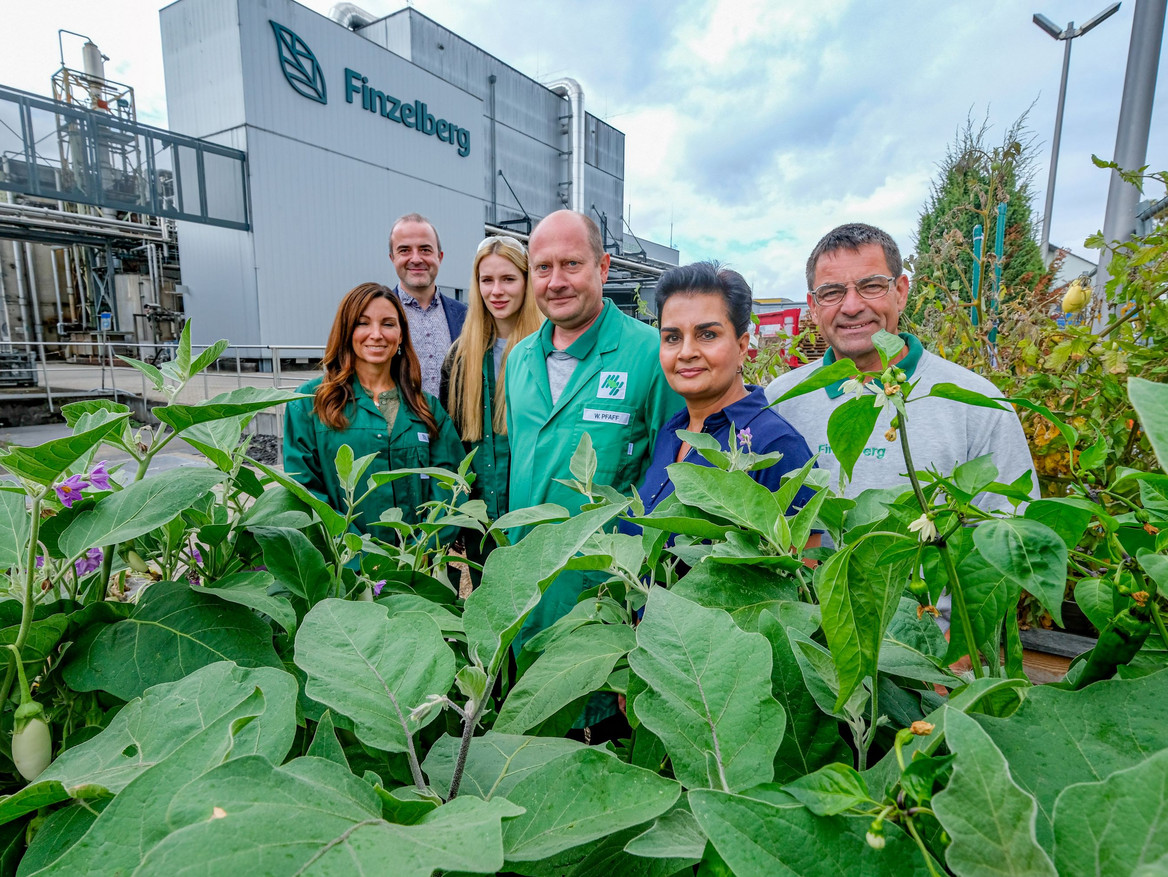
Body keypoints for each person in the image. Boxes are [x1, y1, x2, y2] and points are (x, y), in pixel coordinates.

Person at [505, 210, 681, 736]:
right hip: (528, 591)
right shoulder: (517, 361)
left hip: (605, 597)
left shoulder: (649, 354)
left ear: (604, 267)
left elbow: (673, 480)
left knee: (601, 754)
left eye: (572, 264)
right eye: (542, 268)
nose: (556, 281)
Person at [764, 223, 1036, 510]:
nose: (852, 306)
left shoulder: (978, 403)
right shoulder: (783, 400)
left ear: (901, 292)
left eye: (871, 286)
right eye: (832, 292)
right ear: (814, 306)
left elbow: (1009, 523)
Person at [634, 262, 817, 521]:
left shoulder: (775, 446)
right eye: (672, 338)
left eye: (707, 334)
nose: (686, 352)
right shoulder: (672, 432)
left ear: (742, 347)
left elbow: (802, 559)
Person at [283, 282, 465, 537]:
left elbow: (451, 484)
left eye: (388, 324)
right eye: (363, 323)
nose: (376, 334)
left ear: (401, 335)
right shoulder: (309, 403)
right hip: (343, 568)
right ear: (346, 331)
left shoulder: (427, 409)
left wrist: (425, 546)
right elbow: (303, 490)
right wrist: (356, 553)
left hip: (416, 567)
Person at [439, 235, 543, 570]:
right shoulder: (460, 357)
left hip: (535, 511)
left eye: (508, 279)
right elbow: (451, 443)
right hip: (482, 517)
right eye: (487, 280)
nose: (496, 291)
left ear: (526, 282)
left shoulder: (549, 349)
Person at [389, 213, 468, 397]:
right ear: (392, 257)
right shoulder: (376, 317)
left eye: (425, 250)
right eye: (404, 250)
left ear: (439, 257)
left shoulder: (465, 316)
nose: (416, 259)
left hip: (453, 425)